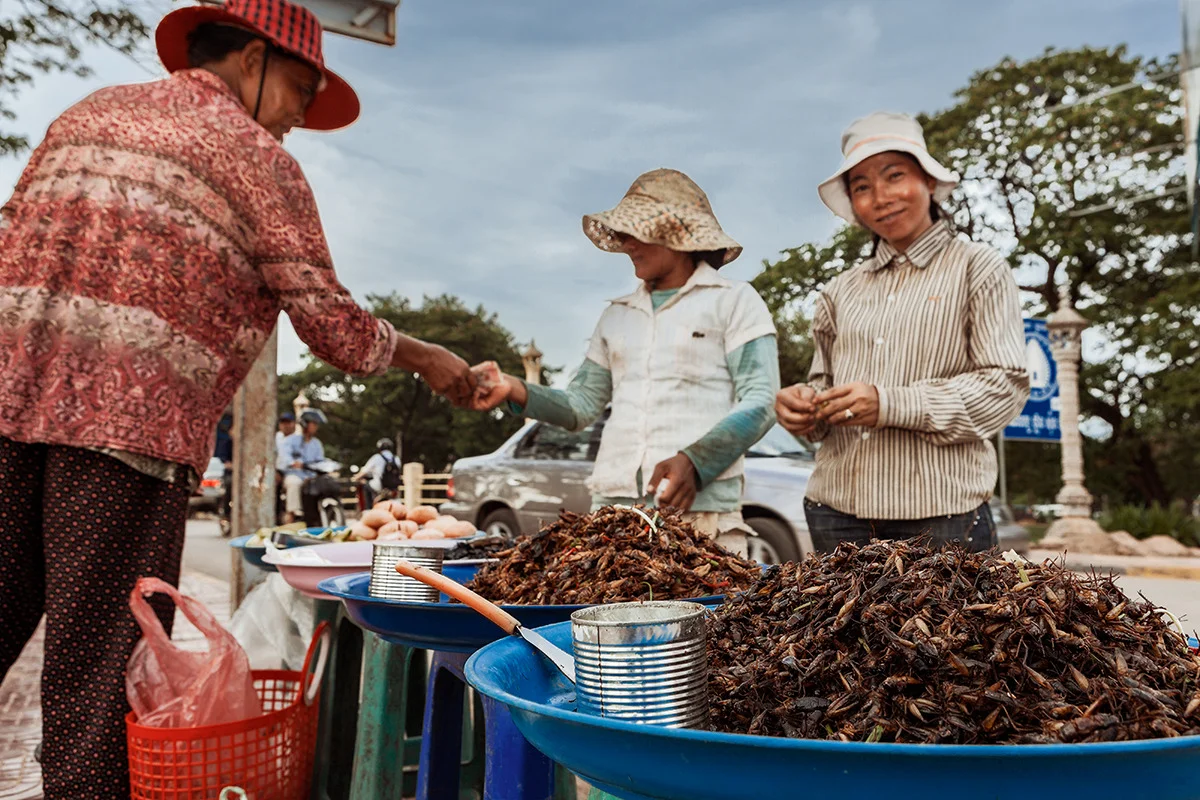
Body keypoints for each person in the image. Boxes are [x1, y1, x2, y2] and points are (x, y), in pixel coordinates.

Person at [0, 1, 475, 795]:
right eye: (299, 88)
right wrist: (429, 359)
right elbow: (335, 326)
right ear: (252, 60)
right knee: (94, 678)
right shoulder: (257, 157)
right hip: (125, 434)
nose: (297, 117)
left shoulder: (88, 113)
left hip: (6, 399)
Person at [472, 169, 779, 555]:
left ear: (677, 232)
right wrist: (515, 389)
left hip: (701, 515)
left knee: (704, 615)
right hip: (614, 514)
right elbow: (581, 406)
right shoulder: (617, 316)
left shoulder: (734, 301)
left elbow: (761, 400)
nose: (627, 244)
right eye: (625, 232)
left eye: (637, 232)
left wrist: (695, 462)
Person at [774, 112, 1029, 554]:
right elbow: (824, 391)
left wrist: (889, 403)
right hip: (836, 513)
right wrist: (803, 407)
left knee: (951, 627)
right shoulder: (838, 291)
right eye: (862, 187)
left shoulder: (977, 268)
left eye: (895, 176)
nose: (881, 197)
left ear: (929, 181)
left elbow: (1003, 389)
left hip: (943, 515)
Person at [281, 408, 327, 524]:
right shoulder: (290, 441)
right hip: (294, 475)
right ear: (305, 424)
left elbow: (320, 461)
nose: (316, 427)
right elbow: (284, 457)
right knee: (294, 483)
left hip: (311, 476)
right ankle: (293, 515)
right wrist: (293, 463)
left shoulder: (317, 443)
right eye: (314, 424)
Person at [353, 437, 402, 508]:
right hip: (394, 487)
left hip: (379, 486)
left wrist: (356, 477)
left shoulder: (377, 457)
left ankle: (368, 509)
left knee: (365, 485)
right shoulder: (396, 458)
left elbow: (364, 471)